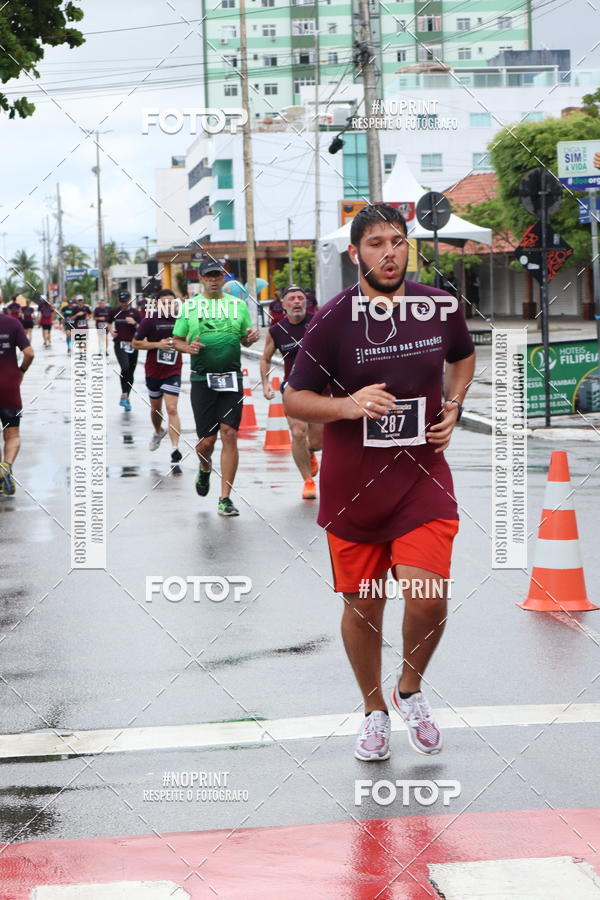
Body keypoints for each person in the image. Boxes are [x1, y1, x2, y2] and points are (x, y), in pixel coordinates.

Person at [284, 203, 476, 762]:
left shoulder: (438, 306)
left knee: (428, 596)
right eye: (375, 244)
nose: (388, 252)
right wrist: (347, 405)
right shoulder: (333, 319)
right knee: (365, 606)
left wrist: (456, 404)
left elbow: (462, 359)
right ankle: (374, 710)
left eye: (397, 241)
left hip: (421, 477)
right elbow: (295, 398)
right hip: (353, 489)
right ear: (355, 253)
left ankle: (409, 688)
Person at [172, 260, 259, 516]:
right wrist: (187, 347)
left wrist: (249, 338)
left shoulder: (238, 305)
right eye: (208, 275)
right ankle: (205, 467)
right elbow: (176, 340)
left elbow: (244, 337)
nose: (213, 279)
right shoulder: (190, 307)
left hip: (231, 378)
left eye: (217, 275)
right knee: (206, 443)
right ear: (200, 278)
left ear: (224, 278)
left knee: (229, 433)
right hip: (202, 380)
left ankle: (225, 498)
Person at [260, 284, 322, 500]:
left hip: (320, 388)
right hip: (293, 388)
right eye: (292, 299)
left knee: (317, 442)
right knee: (297, 432)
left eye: (300, 298)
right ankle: (308, 481)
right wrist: (266, 383)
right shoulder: (276, 330)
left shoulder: (318, 321)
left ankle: (311, 452)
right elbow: (266, 357)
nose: (297, 301)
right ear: (283, 305)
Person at [132, 288, 183, 463]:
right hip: (153, 371)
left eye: (171, 302)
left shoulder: (181, 319)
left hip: (173, 369)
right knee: (156, 409)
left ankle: (175, 448)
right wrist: (157, 344)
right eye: (165, 303)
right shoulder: (150, 320)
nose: (168, 305)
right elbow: (136, 343)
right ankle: (158, 431)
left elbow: (190, 338)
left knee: (172, 408)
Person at [0, 308, 35, 495]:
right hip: (8, 386)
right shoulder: (13, 323)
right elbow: (29, 353)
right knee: (12, 433)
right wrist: (21, 371)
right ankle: (6, 467)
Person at [108, 290, 142, 411]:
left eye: (125, 301)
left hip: (133, 345)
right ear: (119, 301)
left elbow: (142, 328)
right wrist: (111, 331)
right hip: (119, 344)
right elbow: (108, 322)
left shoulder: (135, 313)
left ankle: (126, 396)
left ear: (129, 300)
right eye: (121, 301)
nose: (123, 303)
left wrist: (135, 323)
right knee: (125, 367)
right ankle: (124, 393)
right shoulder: (115, 312)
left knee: (131, 372)